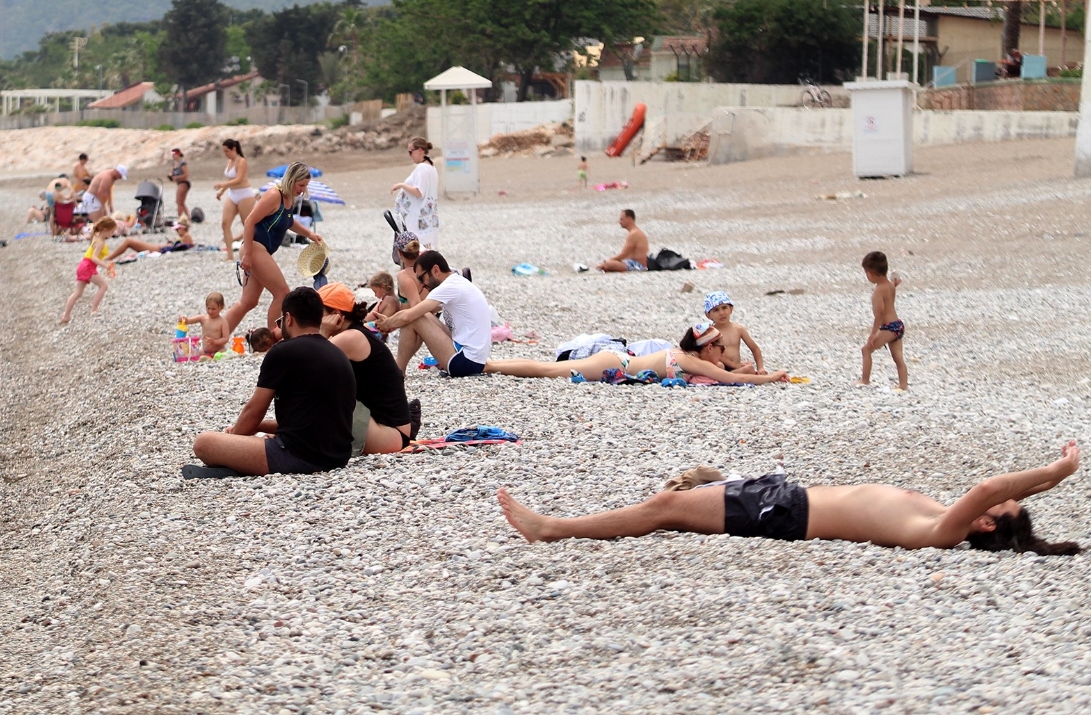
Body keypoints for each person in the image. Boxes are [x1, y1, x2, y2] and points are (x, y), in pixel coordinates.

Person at [498, 442, 1081, 554]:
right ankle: (562, 525)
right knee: (673, 503)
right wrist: (1047, 483)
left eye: (994, 513)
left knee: (664, 509)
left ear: (983, 528)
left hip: (785, 514)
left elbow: (987, 488)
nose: (984, 501)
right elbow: (993, 494)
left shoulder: (944, 530)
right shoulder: (945, 515)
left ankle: (552, 528)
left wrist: (1054, 471)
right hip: (786, 496)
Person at [188, 286, 356, 477]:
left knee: (204, 442)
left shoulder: (283, 352)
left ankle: (239, 464)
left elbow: (254, 411)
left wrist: (234, 439)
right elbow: (312, 420)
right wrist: (259, 428)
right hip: (338, 456)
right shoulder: (337, 353)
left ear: (289, 318)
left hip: (299, 456)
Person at [483, 322, 789, 384]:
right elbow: (726, 379)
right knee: (548, 370)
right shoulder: (687, 360)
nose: (723, 353)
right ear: (708, 347)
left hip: (619, 360)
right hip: (616, 362)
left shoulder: (690, 358)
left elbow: (726, 374)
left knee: (548, 368)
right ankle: (489, 366)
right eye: (720, 349)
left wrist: (745, 371)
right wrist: (774, 376)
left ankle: (490, 364)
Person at [222, 162, 324, 337]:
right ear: (291, 180)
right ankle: (273, 340)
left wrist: (309, 234)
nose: (302, 189)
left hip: (260, 250)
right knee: (282, 293)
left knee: (248, 301)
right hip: (254, 247)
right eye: (300, 185)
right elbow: (249, 221)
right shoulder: (273, 195)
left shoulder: (289, 198)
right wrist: (247, 255)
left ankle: (216, 339)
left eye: (305, 186)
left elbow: (289, 221)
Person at [319, 283, 419, 454]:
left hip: (390, 434)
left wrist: (322, 333)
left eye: (317, 314)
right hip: (391, 429)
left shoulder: (350, 338)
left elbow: (305, 365)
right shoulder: (357, 332)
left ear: (336, 316)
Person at [380, 250, 494, 377]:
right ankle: (398, 370)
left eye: (421, 278)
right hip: (475, 358)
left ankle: (397, 372)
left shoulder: (448, 287)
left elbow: (409, 316)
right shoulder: (457, 282)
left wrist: (386, 324)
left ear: (435, 270)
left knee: (416, 318)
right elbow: (425, 312)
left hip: (465, 362)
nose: (422, 285)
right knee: (423, 315)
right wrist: (389, 321)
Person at [860, 250, 907, 390]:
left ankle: (865, 380)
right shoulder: (890, 285)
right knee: (898, 358)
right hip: (898, 325)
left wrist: (874, 333)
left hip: (888, 327)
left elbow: (879, 314)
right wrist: (895, 282)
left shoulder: (878, 291)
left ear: (870, 274)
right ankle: (903, 385)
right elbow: (893, 285)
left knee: (866, 350)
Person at [60, 216, 116, 325]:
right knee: (103, 286)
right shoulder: (100, 241)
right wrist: (106, 266)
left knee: (78, 293)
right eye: (112, 231)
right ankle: (94, 309)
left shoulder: (96, 236)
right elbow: (94, 258)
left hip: (83, 265)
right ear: (105, 230)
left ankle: (66, 315)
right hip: (88, 267)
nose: (113, 234)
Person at [390, 138, 439, 247]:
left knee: (416, 253)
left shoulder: (422, 168)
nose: (410, 155)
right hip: (427, 220)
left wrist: (401, 185)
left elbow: (419, 192)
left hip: (418, 221)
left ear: (420, 150)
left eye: (410, 152)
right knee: (426, 252)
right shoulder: (431, 167)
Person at [703, 290, 765, 374]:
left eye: (724, 308)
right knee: (719, 365)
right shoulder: (710, 332)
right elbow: (715, 355)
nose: (721, 313)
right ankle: (727, 377)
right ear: (708, 315)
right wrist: (735, 365)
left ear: (731, 309)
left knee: (749, 368)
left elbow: (755, 349)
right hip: (721, 367)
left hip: (735, 368)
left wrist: (760, 368)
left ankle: (729, 377)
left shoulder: (738, 329)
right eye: (716, 310)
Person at [214, 138, 255, 261]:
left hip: (245, 195)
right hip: (233, 194)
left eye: (227, 151)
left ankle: (252, 252)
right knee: (225, 223)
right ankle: (230, 254)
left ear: (234, 149)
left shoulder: (241, 161)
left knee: (247, 224)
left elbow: (240, 179)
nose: (226, 154)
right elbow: (230, 179)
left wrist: (223, 185)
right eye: (224, 151)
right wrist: (222, 191)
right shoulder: (229, 161)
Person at [105, 220, 195, 261]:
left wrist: (172, 243)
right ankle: (110, 257)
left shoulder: (186, 236)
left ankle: (109, 258)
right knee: (129, 241)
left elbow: (188, 246)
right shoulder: (185, 236)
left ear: (184, 228)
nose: (176, 231)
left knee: (129, 241)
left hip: (157, 249)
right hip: (157, 248)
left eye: (177, 229)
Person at [596, 209, 649, 273]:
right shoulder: (635, 232)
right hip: (631, 262)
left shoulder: (634, 234)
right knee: (609, 264)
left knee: (608, 264)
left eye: (622, 219)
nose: (619, 222)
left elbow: (624, 255)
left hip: (638, 265)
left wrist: (607, 261)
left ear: (629, 219)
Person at [181, 291, 230, 355]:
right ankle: (206, 357)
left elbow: (226, 338)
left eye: (213, 309)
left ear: (221, 307)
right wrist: (184, 320)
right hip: (205, 351)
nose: (210, 311)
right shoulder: (203, 318)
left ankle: (214, 357)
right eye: (208, 308)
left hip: (218, 350)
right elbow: (189, 321)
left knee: (223, 352)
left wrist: (215, 342)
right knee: (194, 352)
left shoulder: (222, 322)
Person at [169, 148, 191, 220]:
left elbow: (186, 174)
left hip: (184, 182)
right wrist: (171, 177)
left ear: (178, 154)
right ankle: (188, 217)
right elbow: (173, 174)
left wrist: (176, 177)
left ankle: (180, 218)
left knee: (179, 202)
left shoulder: (182, 163)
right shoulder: (174, 164)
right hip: (179, 183)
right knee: (181, 202)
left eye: (174, 155)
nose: (173, 156)